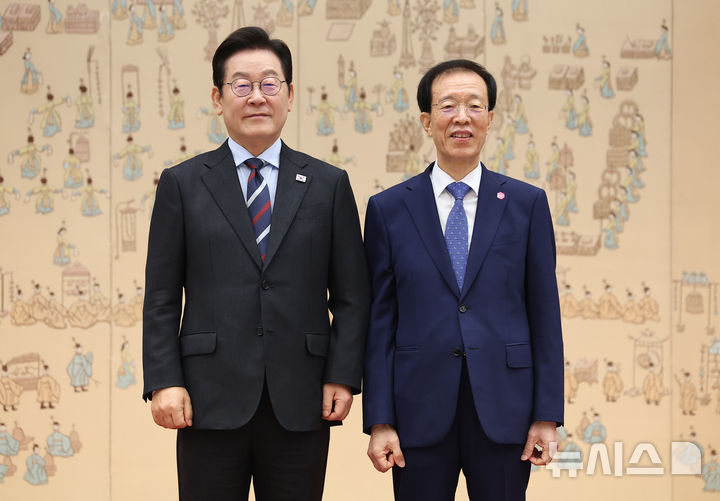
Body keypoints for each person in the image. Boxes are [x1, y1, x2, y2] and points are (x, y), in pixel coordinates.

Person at [142, 27, 369, 501]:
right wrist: (165, 381)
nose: (257, 97)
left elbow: (352, 296)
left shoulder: (328, 185)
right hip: (207, 398)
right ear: (218, 98)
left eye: (269, 83)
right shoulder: (183, 184)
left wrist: (342, 374)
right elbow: (161, 297)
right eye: (241, 85)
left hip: (302, 397)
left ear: (289, 95)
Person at [363, 59, 563, 501]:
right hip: (417, 411)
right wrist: (380, 420)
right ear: (426, 121)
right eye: (448, 105)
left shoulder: (526, 204)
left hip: (506, 410)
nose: (462, 117)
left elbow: (545, 315)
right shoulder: (389, 209)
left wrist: (546, 414)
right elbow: (379, 322)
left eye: (474, 106)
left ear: (490, 118)